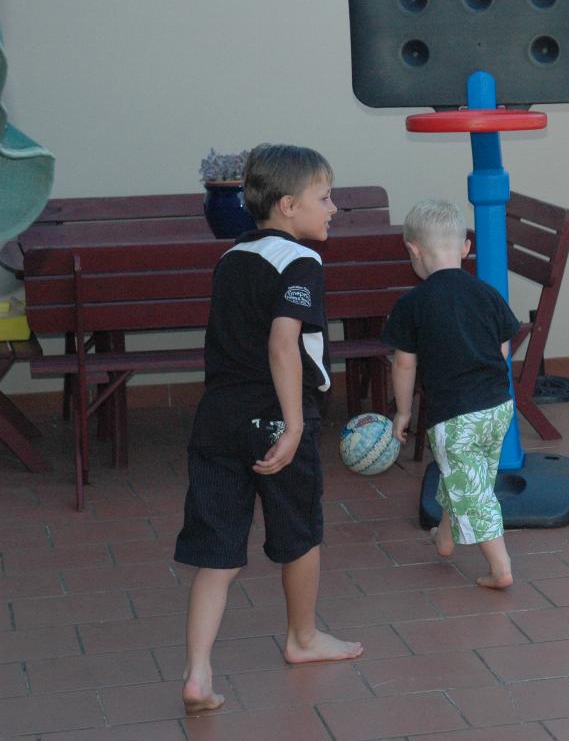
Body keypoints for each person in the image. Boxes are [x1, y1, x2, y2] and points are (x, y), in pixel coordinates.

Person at [175, 144, 363, 714]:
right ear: (287, 206)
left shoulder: (230, 258)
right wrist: (295, 423)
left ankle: (198, 672)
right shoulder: (301, 263)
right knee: (299, 534)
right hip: (274, 419)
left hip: (217, 421)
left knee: (218, 553)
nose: (334, 208)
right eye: (324, 197)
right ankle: (302, 638)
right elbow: (284, 343)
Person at [383, 199, 521, 589]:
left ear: (413, 250)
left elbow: (404, 364)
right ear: (465, 248)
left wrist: (404, 412)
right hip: (497, 408)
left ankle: (501, 567)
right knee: (466, 475)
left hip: (454, 414)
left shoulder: (412, 304)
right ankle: (445, 538)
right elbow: (504, 348)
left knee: (473, 491)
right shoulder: (486, 293)